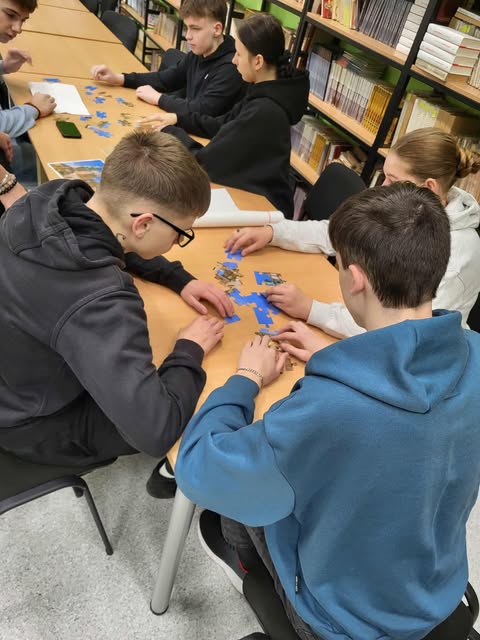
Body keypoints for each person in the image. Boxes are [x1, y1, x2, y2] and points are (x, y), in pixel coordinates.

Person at [175, 182, 480, 640]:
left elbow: (200, 469)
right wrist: (335, 357)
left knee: (243, 493)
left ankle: (252, 571)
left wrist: (246, 379)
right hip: (435, 587)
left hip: (342, 619)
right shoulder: (475, 352)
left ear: (354, 279)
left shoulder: (327, 409)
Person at [0, 130, 234, 467]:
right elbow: (155, 431)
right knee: (189, 413)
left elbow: (104, 239)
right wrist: (188, 350)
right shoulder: (102, 299)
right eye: (180, 233)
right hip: (28, 423)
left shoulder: (43, 201)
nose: (177, 243)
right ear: (143, 225)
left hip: (14, 376)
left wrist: (176, 277)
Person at [225, 128, 480, 336]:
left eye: (392, 180)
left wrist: (312, 309)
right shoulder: (406, 207)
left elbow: (400, 329)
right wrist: (274, 233)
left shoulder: (457, 254)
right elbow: (338, 234)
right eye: (384, 176)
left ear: (430, 188)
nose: (382, 187)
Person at [138, 14, 309, 219]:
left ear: (258, 61)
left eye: (238, 54)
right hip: (248, 193)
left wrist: (170, 133)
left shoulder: (265, 110)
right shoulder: (262, 90)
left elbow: (204, 163)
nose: (234, 61)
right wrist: (178, 119)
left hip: (264, 208)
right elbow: (223, 124)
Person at [91, 0, 244, 119]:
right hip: (186, 126)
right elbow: (165, 79)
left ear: (217, 29)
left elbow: (203, 110)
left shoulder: (232, 66)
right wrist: (120, 78)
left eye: (195, 29)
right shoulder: (200, 52)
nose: (188, 36)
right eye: (187, 28)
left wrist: (159, 98)